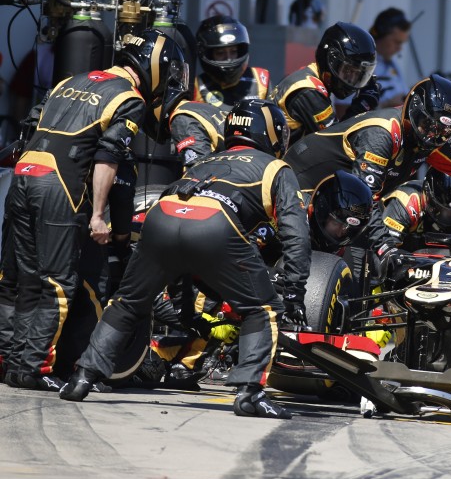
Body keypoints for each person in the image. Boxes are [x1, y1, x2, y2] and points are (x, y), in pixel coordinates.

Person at [61, 99, 311, 419]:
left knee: (126, 302)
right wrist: (293, 290)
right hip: (215, 225)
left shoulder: (207, 161)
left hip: (162, 216)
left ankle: (82, 376)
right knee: (262, 310)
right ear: (272, 135)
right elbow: (296, 234)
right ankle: (250, 392)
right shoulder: (276, 168)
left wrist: (184, 300)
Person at [2, 30, 177, 391]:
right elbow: (108, 157)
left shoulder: (71, 80)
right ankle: (34, 368)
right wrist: (98, 215)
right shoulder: (129, 98)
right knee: (58, 284)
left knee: (17, 280)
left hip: (22, 175)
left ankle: (11, 362)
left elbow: (30, 124)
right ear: (153, 67)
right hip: (60, 185)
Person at [284, 73, 451, 230]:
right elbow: (365, 202)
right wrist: (385, 247)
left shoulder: (435, 140)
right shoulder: (383, 133)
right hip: (299, 185)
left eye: (444, 132)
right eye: (429, 125)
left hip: (339, 201)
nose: (432, 136)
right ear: (414, 110)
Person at [269, 22, 381, 142]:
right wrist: (361, 107)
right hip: (274, 158)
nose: (351, 80)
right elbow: (336, 143)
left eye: (358, 75)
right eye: (348, 71)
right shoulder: (308, 91)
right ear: (330, 60)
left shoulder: (310, 77)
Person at [370, 167, 451, 253]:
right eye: (447, 211)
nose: (450, 217)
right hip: (393, 253)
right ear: (429, 195)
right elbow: (385, 248)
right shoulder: (407, 201)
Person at [192, 15, 270, 107]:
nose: (228, 58)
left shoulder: (261, 80)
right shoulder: (196, 88)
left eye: (233, 51)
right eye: (220, 53)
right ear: (209, 54)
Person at [370, 7, 412, 108]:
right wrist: (387, 105)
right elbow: (345, 116)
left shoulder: (392, 65)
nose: (399, 49)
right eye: (397, 42)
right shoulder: (360, 66)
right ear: (381, 34)